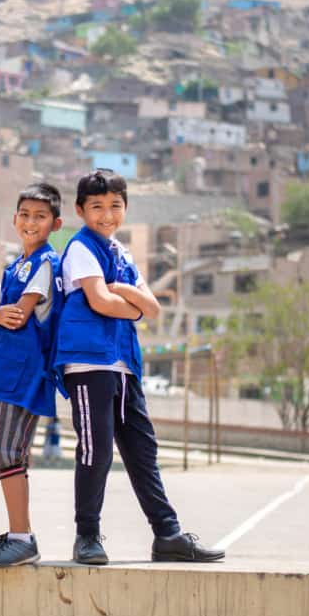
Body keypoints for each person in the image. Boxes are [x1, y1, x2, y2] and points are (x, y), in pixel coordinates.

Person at [52, 169, 225, 566]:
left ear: (125, 209)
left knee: (142, 450)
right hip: (87, 363)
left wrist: (127, 293)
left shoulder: (121, 254)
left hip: (124, 366)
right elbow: (99, 301)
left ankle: (168, 534)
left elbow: (153, 306)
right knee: (96, 451)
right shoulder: (80, 248)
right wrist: (133, 304)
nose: (107, 214)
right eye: (97, 207)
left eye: (115, 206)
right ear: (81, 210)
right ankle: (87, 536)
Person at [0, 183, 63, 568]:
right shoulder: (15, 265)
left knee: (6, 449)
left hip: (25, 373)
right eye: (25, 214)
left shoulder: (46, 263)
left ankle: (23, 538)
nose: (31, 221)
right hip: (5, 369)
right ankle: (16, 533)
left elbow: (17, 314)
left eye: (40, 216)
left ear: (55, 223)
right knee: (8, 450)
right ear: (14, 220)